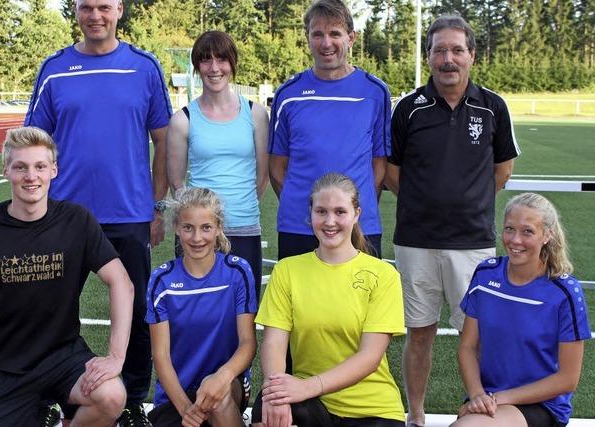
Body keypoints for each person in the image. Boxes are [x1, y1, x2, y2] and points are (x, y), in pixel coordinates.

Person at [24, 0, 172, 424]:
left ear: (119, 10)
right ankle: (45, 397)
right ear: (76, 11)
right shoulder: (54, 68)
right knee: (47, 308)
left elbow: (162, 139)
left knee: (138, 309)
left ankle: (133, 401)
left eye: (104, 7)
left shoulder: (144, 67)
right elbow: (35, 138)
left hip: (128, 213)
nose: (95, 15)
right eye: (86, 7)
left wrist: (157, 205)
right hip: (64, 214)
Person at [384, 14, 520, 426]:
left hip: (473, 242)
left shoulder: (493, 107)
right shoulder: (408, 108)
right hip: (416, 241)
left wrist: (467, 202)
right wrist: (428, 203)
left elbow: (503, 170)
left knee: (475, 335)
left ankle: (474, 410)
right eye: (440, 50)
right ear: (428, 57)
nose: (448, 59)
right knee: (419, 332)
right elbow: (392, 172)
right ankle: (417, 414)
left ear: (472, 56)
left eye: (457, 50)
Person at [0, 127, 134, 426]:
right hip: (5, 368)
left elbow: (122, 283)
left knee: (112, 395)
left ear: (54, 170)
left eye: (40, 166)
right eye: (20, 167)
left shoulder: (76, 220)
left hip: (63, 357)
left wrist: (115, 357)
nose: (31, 176)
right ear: (5, 170)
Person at [252, 173, 405, 427]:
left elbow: (370, 357)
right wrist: (276, 391)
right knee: (265, 410)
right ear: (310, 213)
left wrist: (308, 387)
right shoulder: (287, 270)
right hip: (311, 403)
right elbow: (274, 343)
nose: (330, 221)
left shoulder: (383, 275)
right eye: (321, 211)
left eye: (340, 212)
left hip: (373, 409)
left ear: (356, 214)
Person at [453, 192, 591, 427]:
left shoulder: (565, 292)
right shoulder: (485, 275)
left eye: (527, 231)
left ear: (546, 235)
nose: (515, 240)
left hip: (541, 404)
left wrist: (497, 399)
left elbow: (568, 379)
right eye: (509, 229)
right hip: (487, 398)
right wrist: (477, 395)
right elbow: (467, 347)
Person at [269, 0, 392, 260]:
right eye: (318, 34)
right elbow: (277, 168)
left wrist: (352, 210)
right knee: (300, 301)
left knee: (359, 301)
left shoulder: (374, 92)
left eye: (335, 33)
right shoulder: (288, 95)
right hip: (299, 226)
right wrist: (309, 210)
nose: (326, 43)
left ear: (351, 37)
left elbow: (379, 165)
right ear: (308, 38)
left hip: (360, 226)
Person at [168, 30, 269, 298]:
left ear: (232, 63)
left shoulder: (256, 114)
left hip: (245, 227)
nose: (214, 68)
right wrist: (198, 221)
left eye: (222, 60)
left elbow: (263, 175)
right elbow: (177, 183)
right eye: (206, 60)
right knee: (197, 312)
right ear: (197, 66)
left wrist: (237, 209)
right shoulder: (182, 119)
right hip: (199, 235)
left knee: (244, 312)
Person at [145, 187, 257, 426]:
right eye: (188, 228)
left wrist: (223, 376)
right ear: (177, 228)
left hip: (228, 384)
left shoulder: (237, 273)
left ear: (218, 227)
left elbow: (248, 343)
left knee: (217, 398)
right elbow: (161, 355)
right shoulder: (162, 281)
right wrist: (186, 409)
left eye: (206, 228)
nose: (197, 238)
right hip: (176, 394)